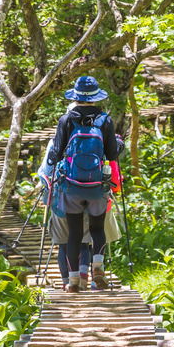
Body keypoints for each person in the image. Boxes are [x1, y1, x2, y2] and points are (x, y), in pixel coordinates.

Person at [46, 75, 121, 292]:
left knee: (75, 234)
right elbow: (112, 154)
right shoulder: (105, 120)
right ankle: (97, 267)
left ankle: (73, 281)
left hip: (72, 185)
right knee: (97, 229)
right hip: (97, 186)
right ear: (95, 97)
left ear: (76, 96)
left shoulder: (66, 120)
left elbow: (57, 154)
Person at [37, 139, 94, 290]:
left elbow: (45, 172)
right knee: (83, 244)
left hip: (61, 202)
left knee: (63, 244)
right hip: (87, 200)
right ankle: (82, 278)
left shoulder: (56, 141)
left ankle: (66, 282)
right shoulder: (92, 138)